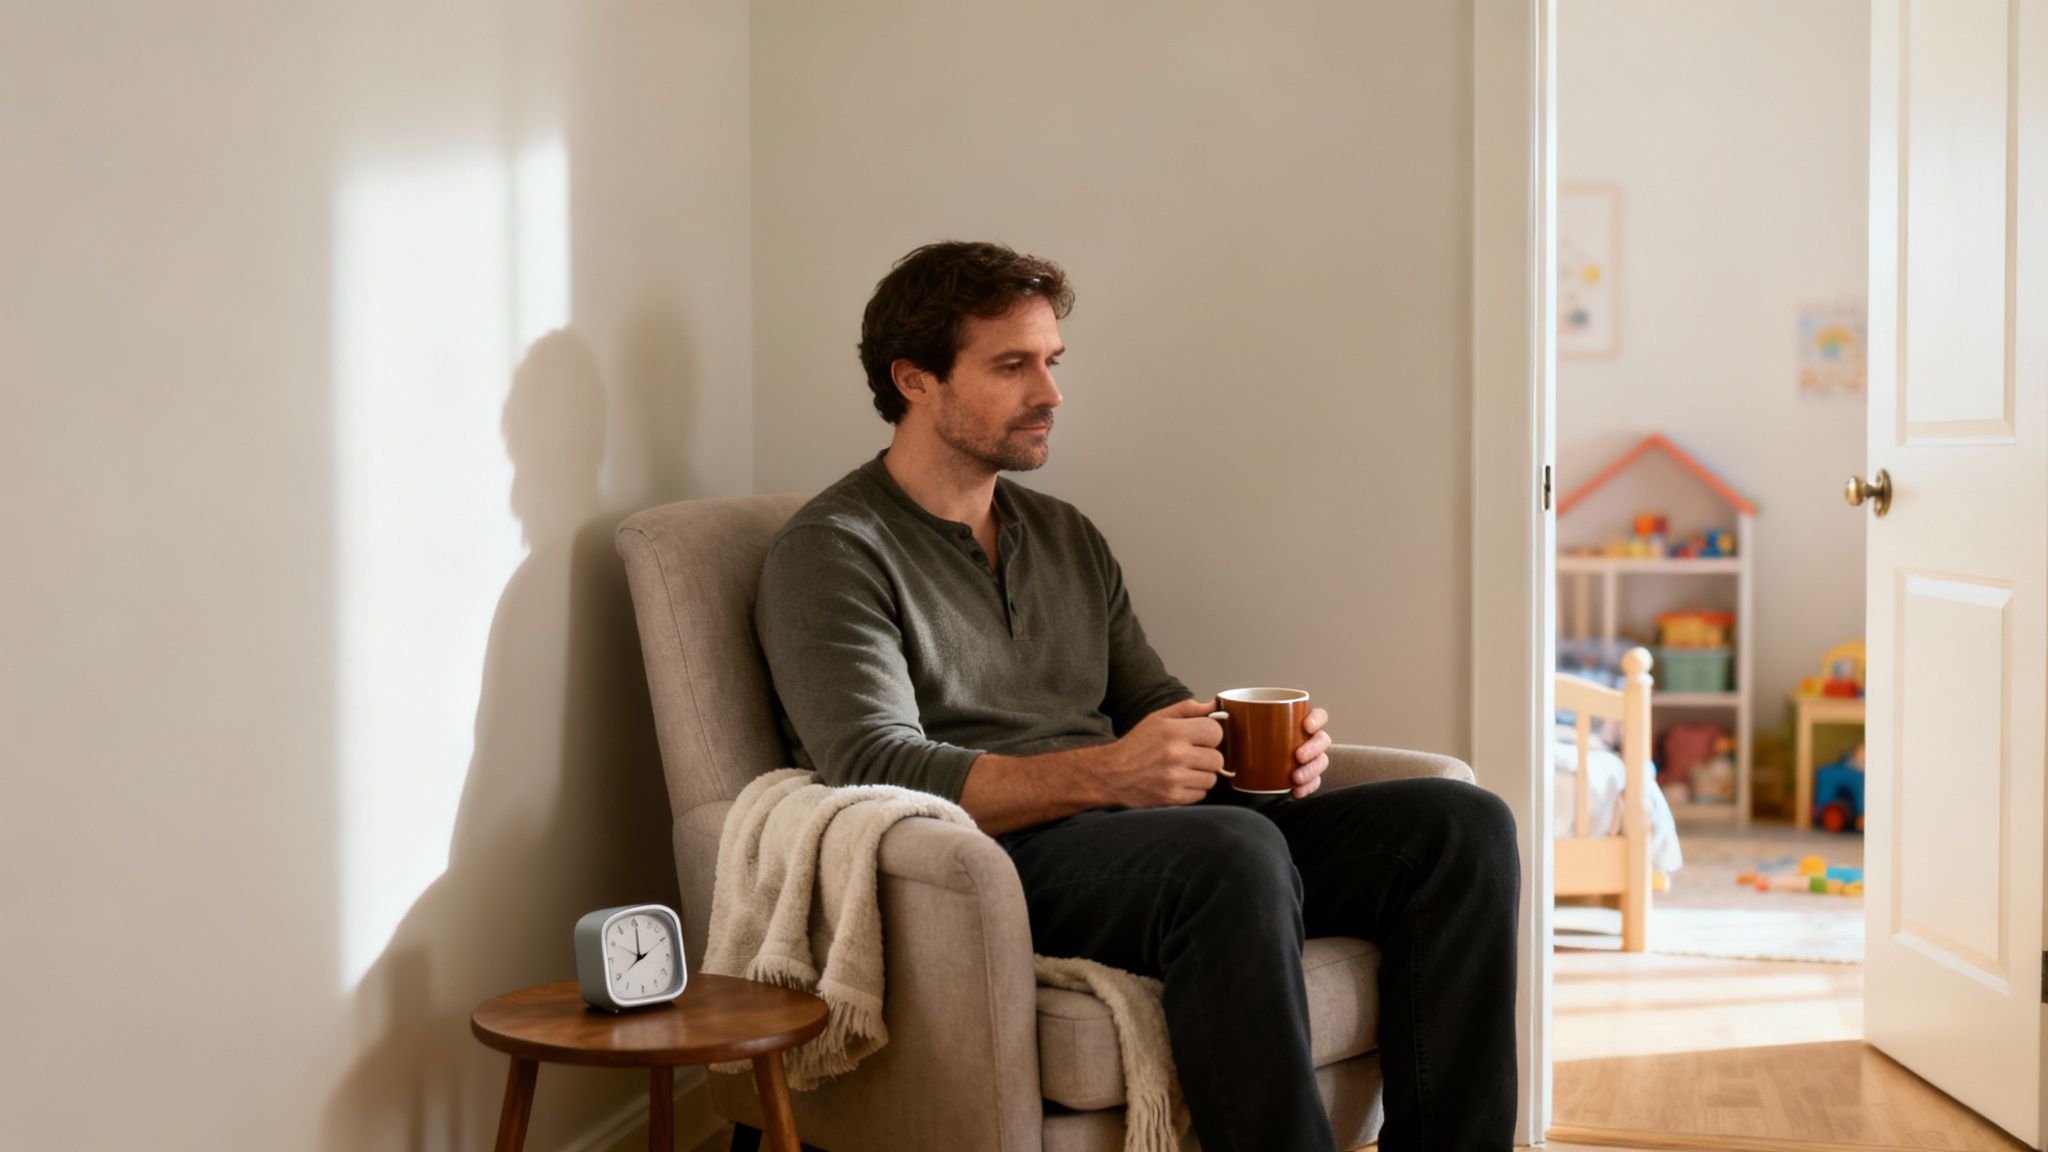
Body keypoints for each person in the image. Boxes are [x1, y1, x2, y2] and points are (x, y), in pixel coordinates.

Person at [754, 240, 1519, 1151]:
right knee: (1229, 852)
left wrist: (1255, 749)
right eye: (1012, 366)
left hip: (1142, 842)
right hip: (992, 864)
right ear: (915, 380)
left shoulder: (1066, 536)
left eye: (1052, 361)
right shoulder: (833, 550)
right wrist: (1112, 773)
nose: (1051, 392)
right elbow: (873, 767)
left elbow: (1154, 700)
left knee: (1460, 827)